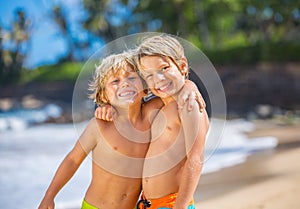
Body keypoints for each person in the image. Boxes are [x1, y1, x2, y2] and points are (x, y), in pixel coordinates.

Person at [38, 50, 204, 209]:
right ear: (103, 96)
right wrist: (50, 195)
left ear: (145, 88)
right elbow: (73, 160)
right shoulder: (100, 125)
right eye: (115, 81)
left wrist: (190, 85)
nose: (125, 83)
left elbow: (175, 90)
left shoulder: (152, 114)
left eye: (131, 78)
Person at [135, 34, 210, 209]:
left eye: (164, 68)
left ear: (182, 66)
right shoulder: (159, 104)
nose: (158, 79)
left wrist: (180, 207)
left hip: (172, 204)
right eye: (149, 75)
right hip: (147, 203)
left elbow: (196, 159)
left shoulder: (189, 104)